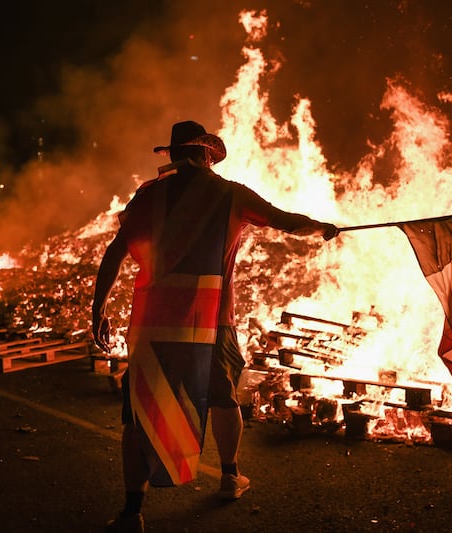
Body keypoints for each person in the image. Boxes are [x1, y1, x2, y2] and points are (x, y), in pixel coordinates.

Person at [93, 120, 338, 532]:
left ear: (172, 155)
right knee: (223, 397)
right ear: (207, 154)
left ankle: (132, 512)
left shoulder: (148, 197)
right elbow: (286, 221)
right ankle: (229, 476)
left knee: (138, 413)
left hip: (154, 325)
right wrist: (323, 228)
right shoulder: (229, 194)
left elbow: (115, 253)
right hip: (211, 320)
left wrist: (98, 309)